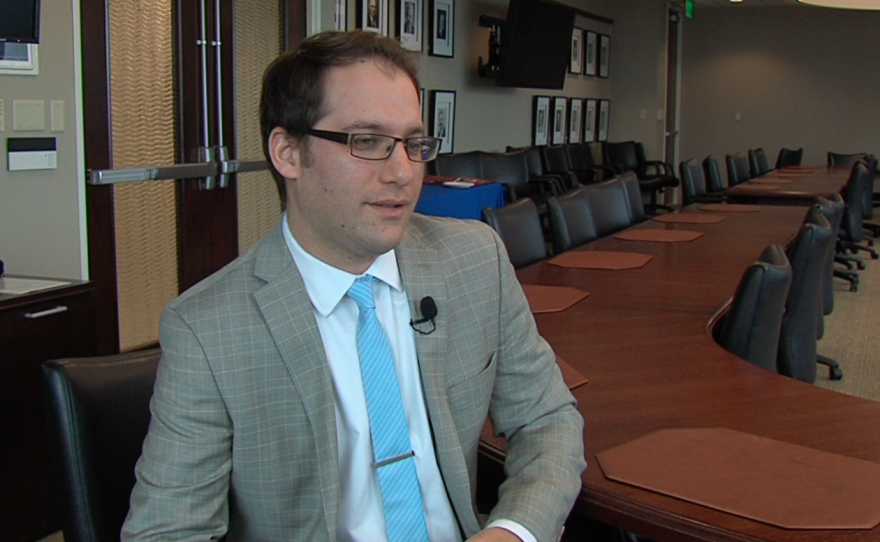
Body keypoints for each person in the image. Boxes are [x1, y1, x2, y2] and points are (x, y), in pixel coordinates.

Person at [122, 30, 585, 542]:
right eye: (367, 142)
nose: (403, 172)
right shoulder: (207, 330)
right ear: (289, 153)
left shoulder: (475, 260)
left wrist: (514, 532)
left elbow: (547, 420)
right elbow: (166, 531)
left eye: (413, 143)